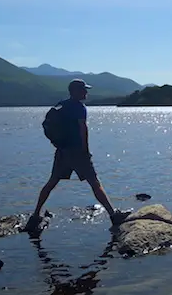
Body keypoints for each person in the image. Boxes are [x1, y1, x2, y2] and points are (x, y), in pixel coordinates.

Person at [24, 79, 128, 234]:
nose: (86, 92)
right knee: (95, 182)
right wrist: (85, 151)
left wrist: (58, 143)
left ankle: (35, 216)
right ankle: (113, 215)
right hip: (77, 152)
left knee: (52, 182)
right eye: (83, 90)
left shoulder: (61, 105)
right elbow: (83, 129)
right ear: (75, 91)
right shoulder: (79, 107)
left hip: (62, 151)